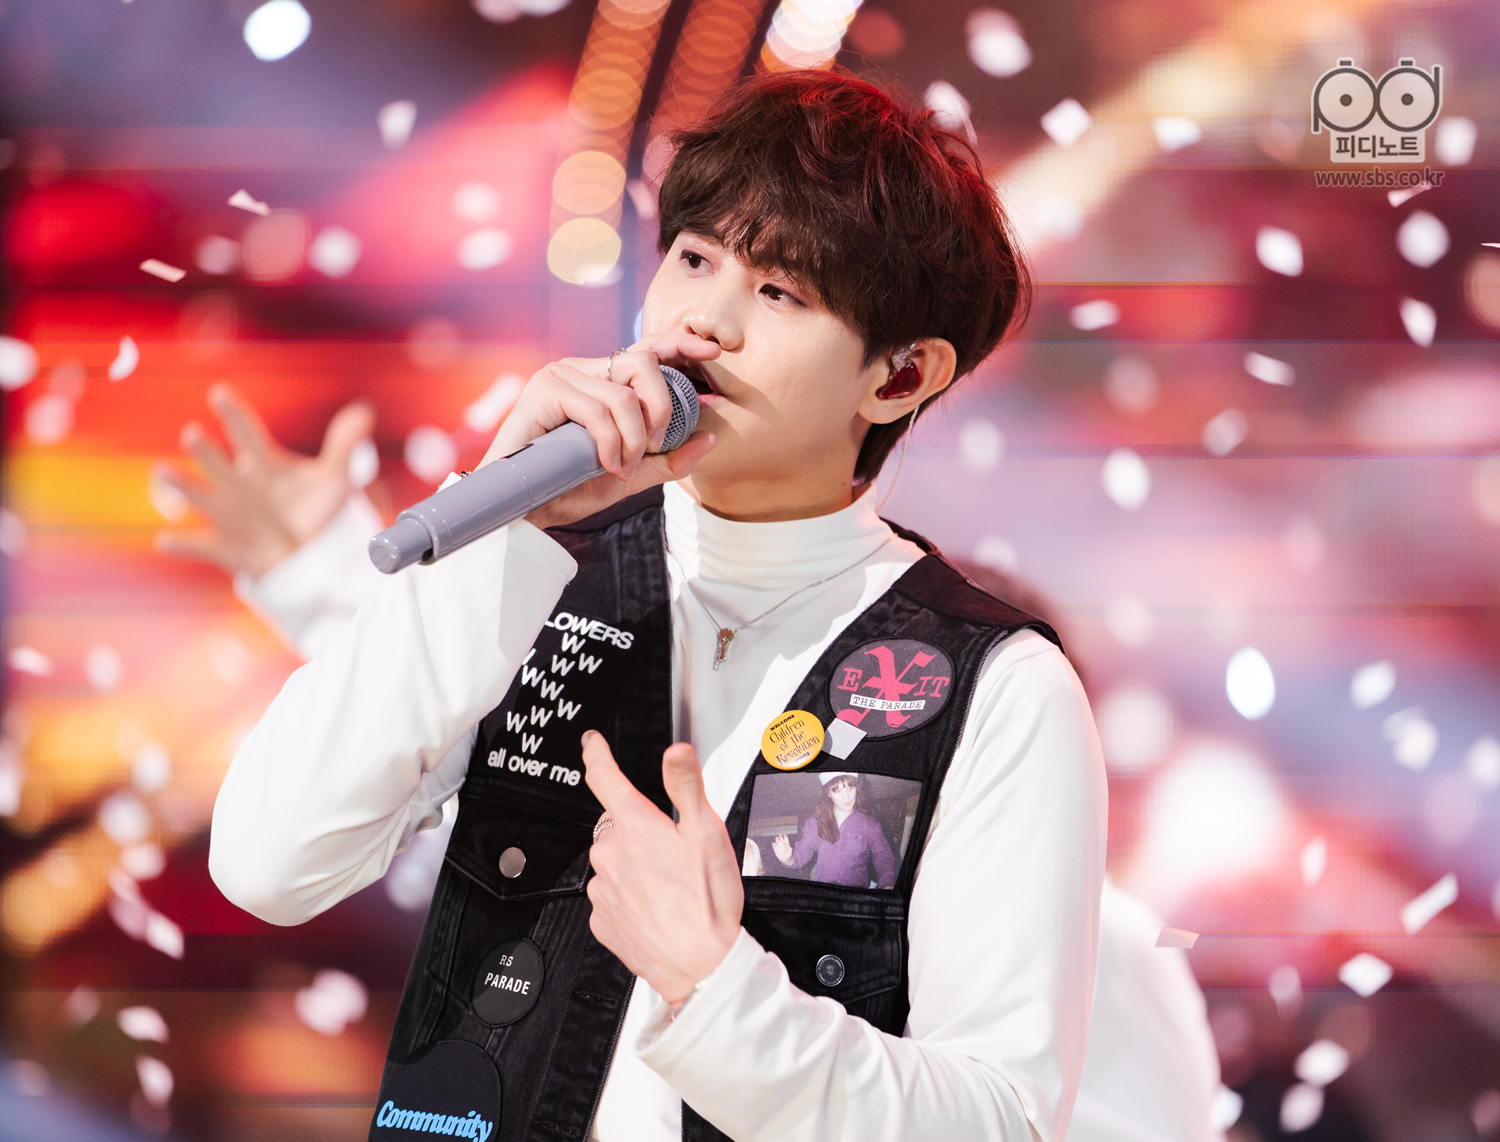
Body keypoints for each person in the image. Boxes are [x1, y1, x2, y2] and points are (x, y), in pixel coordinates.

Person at [208, 70, 1107, 1142]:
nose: (702, 322)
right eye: (693, 258)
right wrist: (505, 513)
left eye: (780, 293)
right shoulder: (531, 570)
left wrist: (719, 991)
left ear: (902, 375)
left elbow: (1003, 1118)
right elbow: (269, 863)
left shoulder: (996, 688)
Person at [770, 773, 897, 889]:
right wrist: (787, 859)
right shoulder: (815, 823)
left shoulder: (870, 825)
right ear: (828, 793)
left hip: (856, 896)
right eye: (837, 790)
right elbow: (801, 855)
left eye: (850, 788)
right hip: (825, 895)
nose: (846, 796)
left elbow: (884, 857)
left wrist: (887, 885)